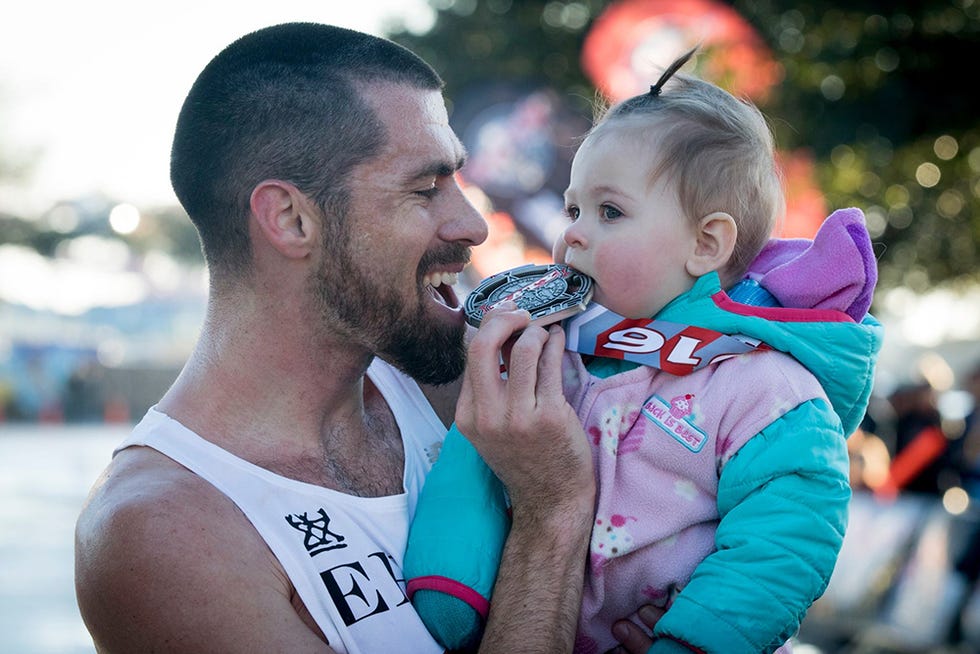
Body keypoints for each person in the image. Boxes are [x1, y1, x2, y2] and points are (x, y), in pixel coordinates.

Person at [74, 22, 648, 653]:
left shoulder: (457, 383)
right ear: (291, 219)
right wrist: (552, 516)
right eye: (426, 189)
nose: (473, 225)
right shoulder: (165, 531)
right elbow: (555, 515)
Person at [405, 48, 884, 653]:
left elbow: (785, 541)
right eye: (573, 208)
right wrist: (453, 585)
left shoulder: (767, 388)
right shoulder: (553, 351)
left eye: (610, 211)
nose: (572, 231)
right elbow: (476, 455)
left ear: (706, 244)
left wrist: (693, 642)